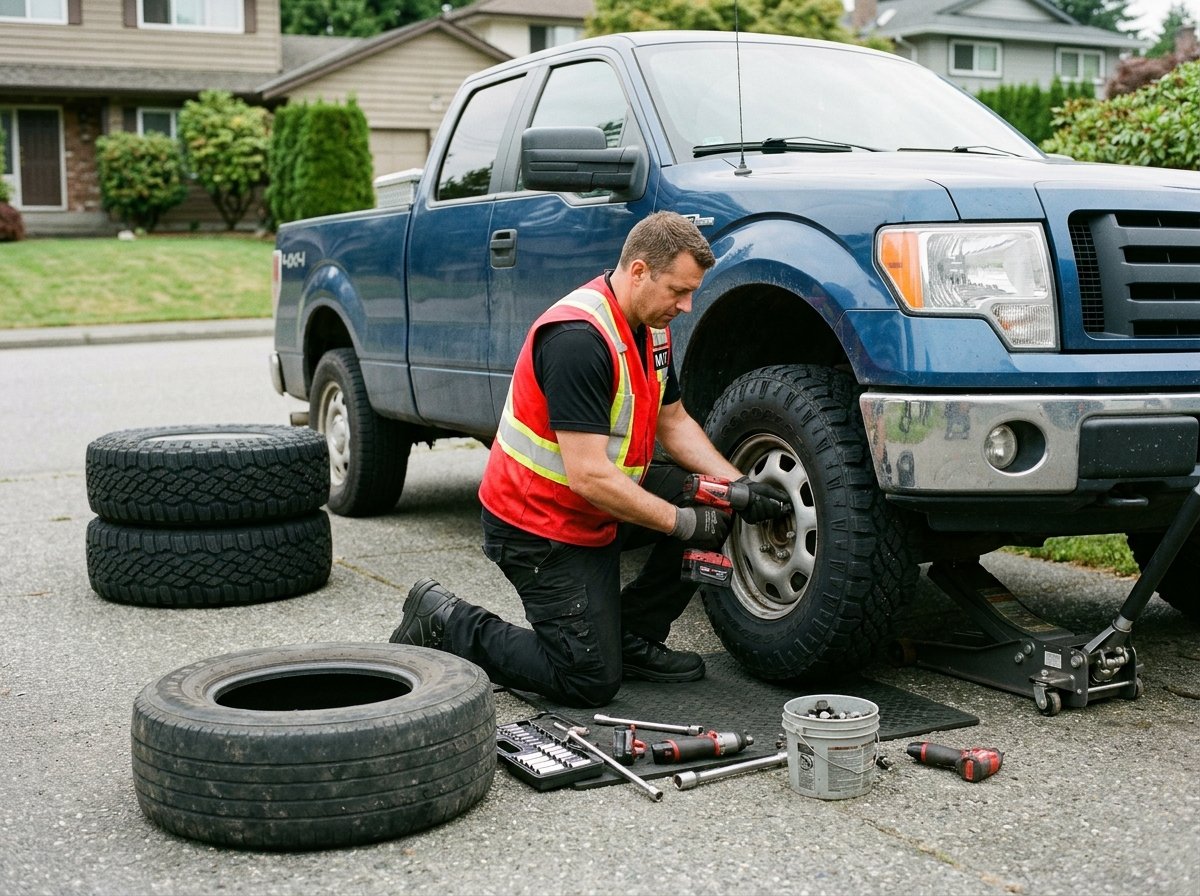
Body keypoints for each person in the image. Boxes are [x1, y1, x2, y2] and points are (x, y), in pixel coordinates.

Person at [389, 211, 789, 707]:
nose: (687, 306)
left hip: (597, 504)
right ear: (639, 271)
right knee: (588, 679)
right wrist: (681, 523)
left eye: (692, 292)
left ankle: (633, 638)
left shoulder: (651, 327)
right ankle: (447, 621)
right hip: (541, 526)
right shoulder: (579, 340)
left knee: (719, 501)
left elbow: (675, 422)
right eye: (678, 291)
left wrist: (740, 487)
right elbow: (589, 475)